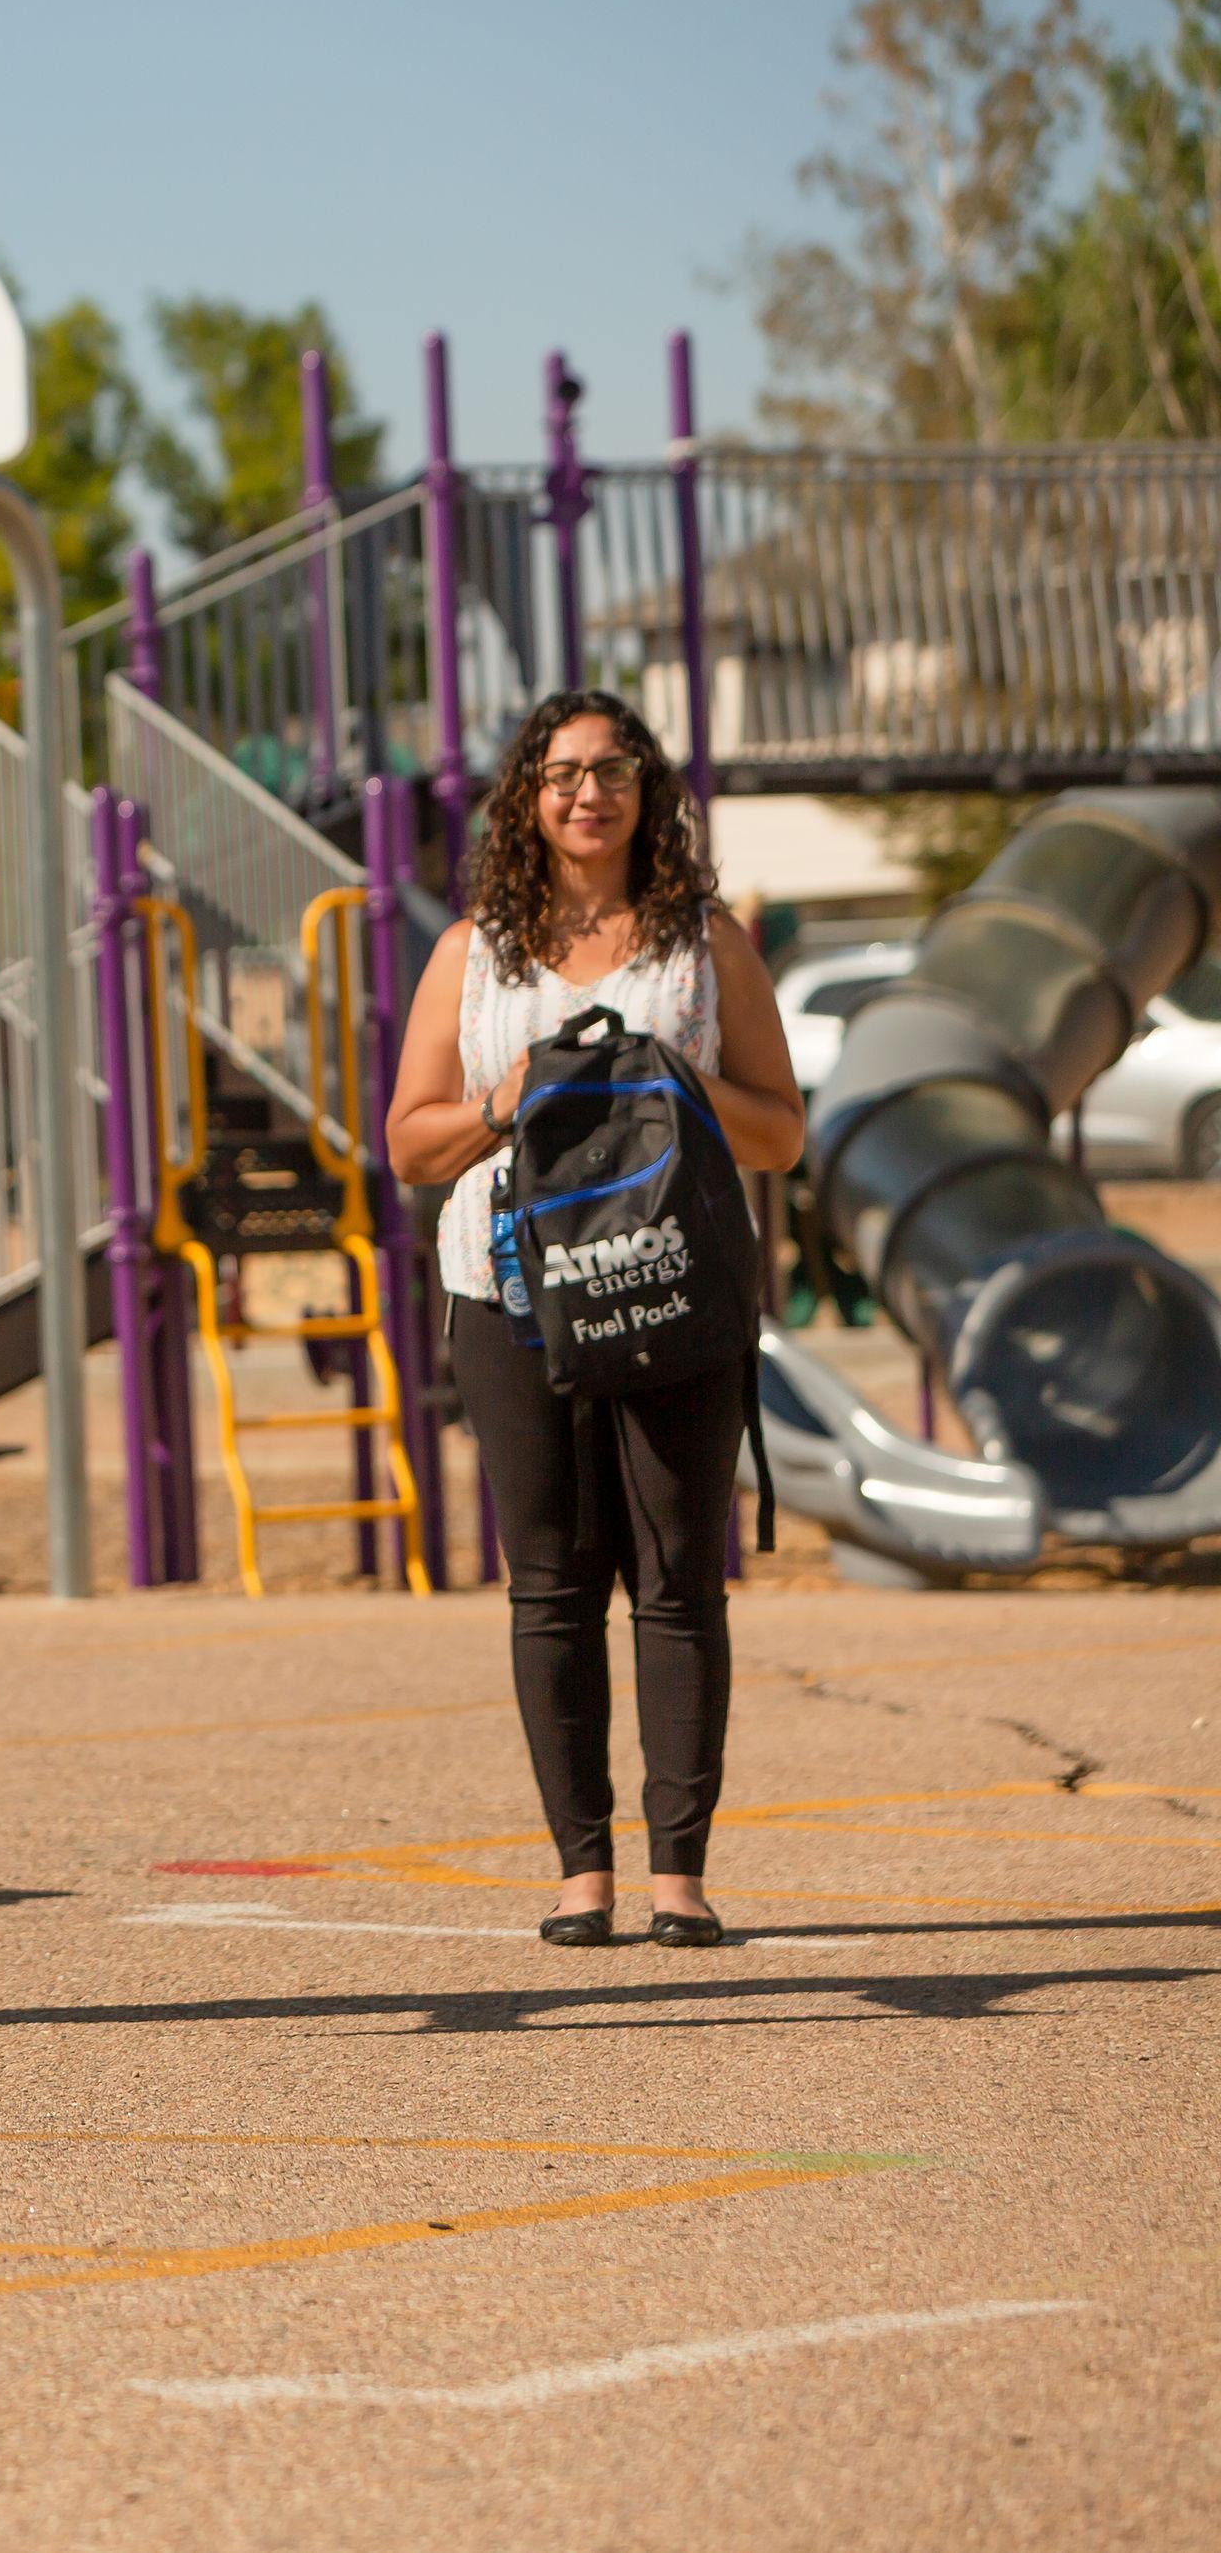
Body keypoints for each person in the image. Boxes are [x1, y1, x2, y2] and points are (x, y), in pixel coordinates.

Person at [384, 690, 805, 1948]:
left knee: (678, 1580)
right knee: (552, 1586)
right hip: (510, 1299)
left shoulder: (702, 942)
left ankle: (680, 1873)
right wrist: (506, 1102)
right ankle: (582, 1871)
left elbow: (782, 1130)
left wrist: (678, 1083)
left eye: (614, 770)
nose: (588, 792)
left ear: (647, 793)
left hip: (675, 1291)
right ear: (527, 795)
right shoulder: (474, 952)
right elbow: (408, 1142)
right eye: (562, 772)